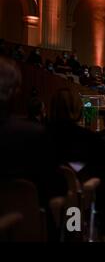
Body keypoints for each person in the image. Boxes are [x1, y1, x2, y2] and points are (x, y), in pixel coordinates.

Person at [0, 57, 67, 241]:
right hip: (30, 227)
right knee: (71, 206)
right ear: (14, 92)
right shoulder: (34, 135)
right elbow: (56, 185)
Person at [47, 89, 105, 239]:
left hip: (39, 208)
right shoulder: (91, 139)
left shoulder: (39, 136)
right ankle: (81, 233)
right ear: (78, 109)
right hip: (76, 202)